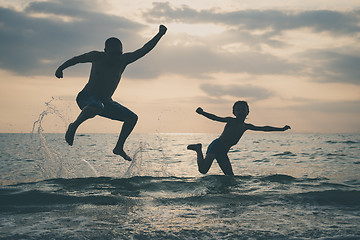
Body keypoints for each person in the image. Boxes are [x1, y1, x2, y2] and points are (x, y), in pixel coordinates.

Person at [55, 25, 167, 161]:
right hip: (86, 98)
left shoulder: (124, 60)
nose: (115, 57)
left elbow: (145, 49)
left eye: (118, 53)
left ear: (122, 52)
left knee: (132, 118)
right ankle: (73, 126)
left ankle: (118, 147)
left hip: (106, 102)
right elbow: (76, 59)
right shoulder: (96, 56)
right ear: (105, 51)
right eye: (112, 54)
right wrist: (61, 68)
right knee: (96, 106)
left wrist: (160, 34)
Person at [187, 101, 291, 175]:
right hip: (216, 146)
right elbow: (215, 118)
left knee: (230, 176)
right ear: (234, 113)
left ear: (247, 112)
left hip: (223, 151)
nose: (241, 111)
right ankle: (198, 149)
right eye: (238, 110)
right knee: (203, 170)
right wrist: (202, 113)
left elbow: (264, 128)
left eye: (243, 109)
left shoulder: (246, 126)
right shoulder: (230, 120)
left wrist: (281, 129)